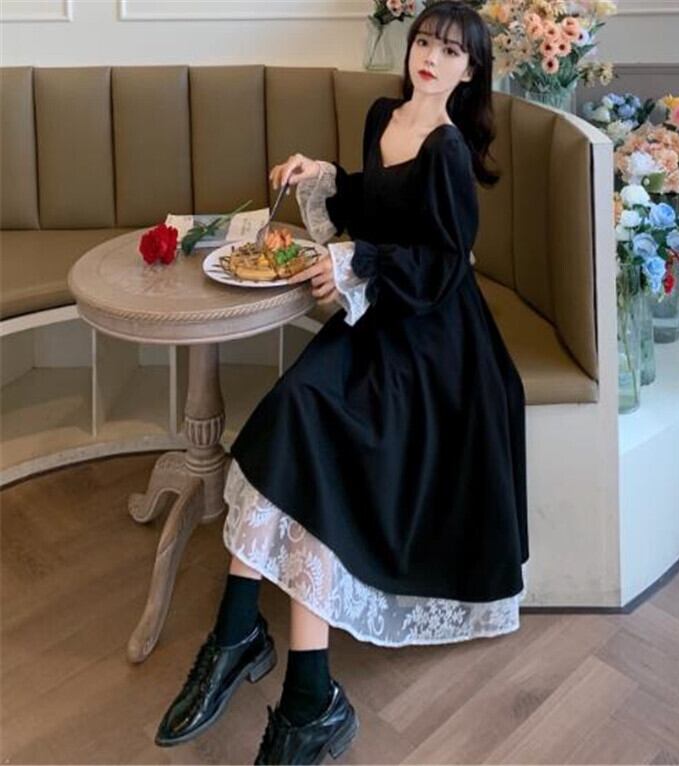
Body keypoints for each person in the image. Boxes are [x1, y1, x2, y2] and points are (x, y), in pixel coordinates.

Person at [154, 1, 529, 763]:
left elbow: (443, 263)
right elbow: (369, 204)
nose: (431, 58)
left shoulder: (450, 151)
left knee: (312, 423)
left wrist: (355, 263)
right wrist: (320, 175)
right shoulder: (382, 115)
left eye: (450, 51)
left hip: (436, 342)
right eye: (424, 42)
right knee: (297, 410)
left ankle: (266, 662)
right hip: (378, 319)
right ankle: (260, 655)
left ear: (469, 71)